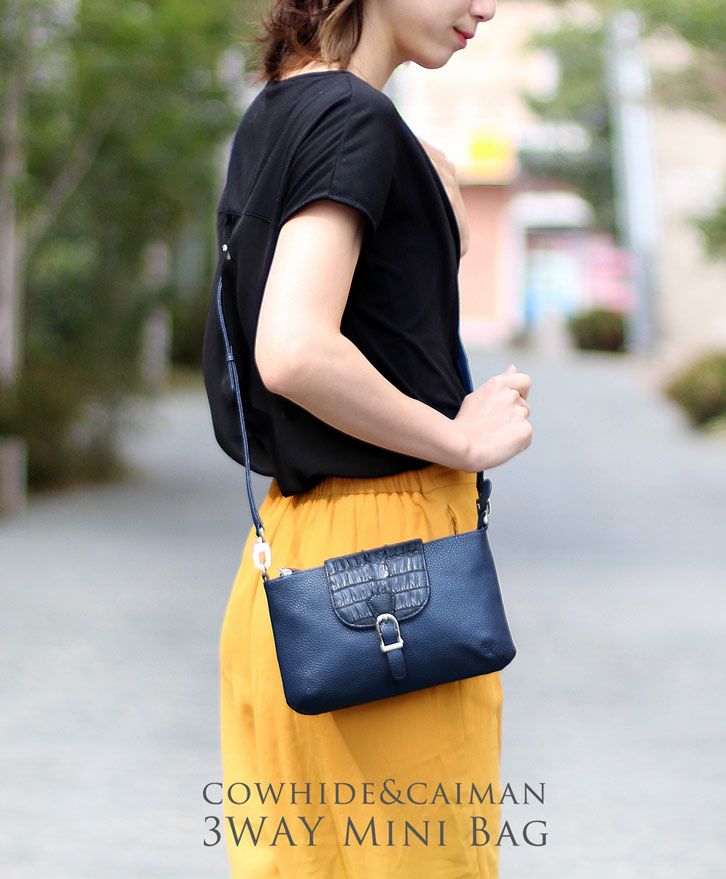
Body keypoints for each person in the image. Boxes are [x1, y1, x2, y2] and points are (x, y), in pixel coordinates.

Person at [202, 1, 532, 876]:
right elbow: (294, 349)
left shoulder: (281, 111)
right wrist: (458, 440)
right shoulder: (355, 117)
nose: (485, 6)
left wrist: (429, 211)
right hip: (390, 584)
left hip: (293, 562)